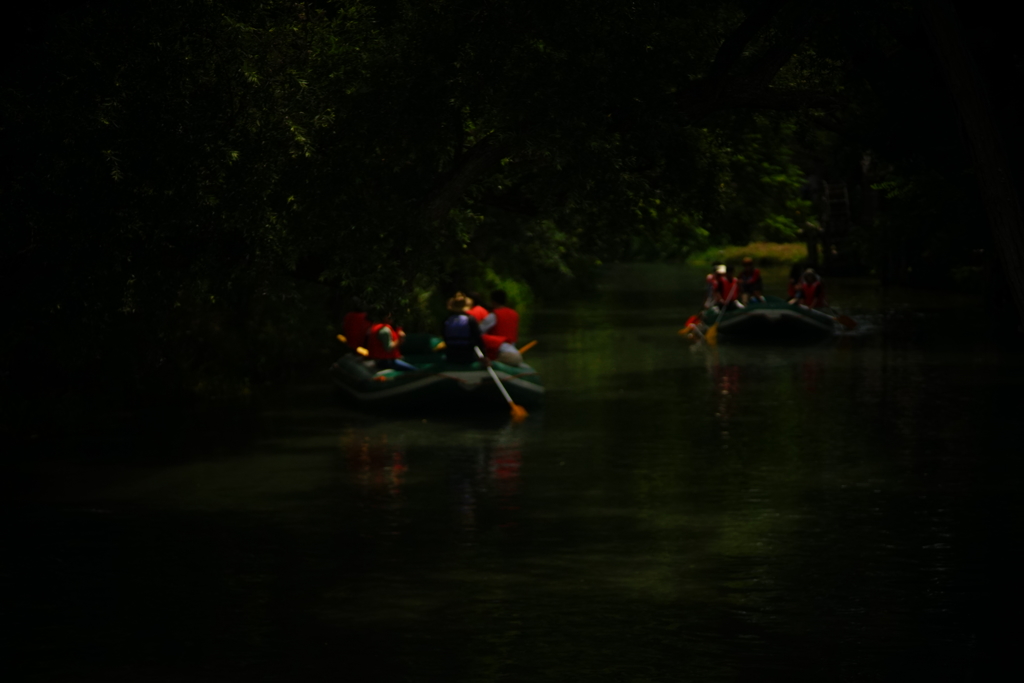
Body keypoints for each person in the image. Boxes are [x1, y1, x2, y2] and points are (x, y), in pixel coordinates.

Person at [479, 289, 523, 366]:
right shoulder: (515, 314)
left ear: (493, 301)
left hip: (498, 350)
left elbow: (478, 331)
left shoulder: (494, 315)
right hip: (512, 348)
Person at [443, 293, 487, 365]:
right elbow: (478, 339)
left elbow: (445, 337)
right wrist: (484, 355)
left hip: (451, 355)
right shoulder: (470, 319)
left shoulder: (446, 320)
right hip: (467, 356)